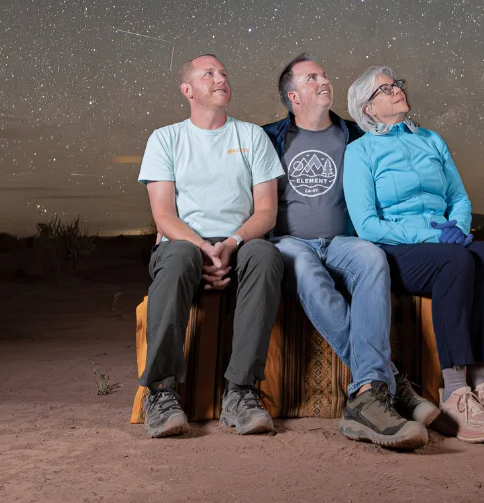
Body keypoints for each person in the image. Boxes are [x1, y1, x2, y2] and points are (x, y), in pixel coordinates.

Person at [343, 67, 484, 444]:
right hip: (397, 250)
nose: (397, 89)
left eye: (397, 83)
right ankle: (455, 393)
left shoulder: (432, 140)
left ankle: (483, 388)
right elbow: (367, 224)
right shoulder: (359, 152)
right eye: (386, 88)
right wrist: (434, 234)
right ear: (367, 108)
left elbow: (459, 197)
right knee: (458, 261)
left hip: (446, 240)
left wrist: (458, 228)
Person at [262, 55, 434, 449]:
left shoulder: (357, 134)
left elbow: (393, 177)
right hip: (290, 242)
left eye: (324, 73)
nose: (324, 80)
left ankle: (370, 394)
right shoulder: (268, 137)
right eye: (312, 77)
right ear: (293, 95)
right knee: (306, 271)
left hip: (343, 241)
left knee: (372, 259)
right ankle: (384, 384)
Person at [137, 54, 285, 438]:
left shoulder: (252, 136)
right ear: (187, 90)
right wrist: (203, 246)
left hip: (240, 243)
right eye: (209, 74)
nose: (221, 78)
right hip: (185, 245)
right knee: (180, 253)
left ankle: (241, 392)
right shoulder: (165, 138)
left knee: (266, 255)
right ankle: (162, 393)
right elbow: (164, 217)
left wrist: (233, 243)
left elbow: (266, 211)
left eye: (223, 73)